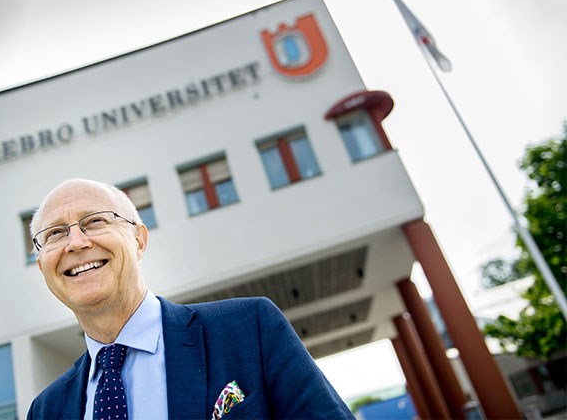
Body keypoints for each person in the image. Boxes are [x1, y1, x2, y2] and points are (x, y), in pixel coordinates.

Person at [27, 178, 354, 419]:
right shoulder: (47, 410)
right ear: (43, 266)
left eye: (94, 221)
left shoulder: (248, 329)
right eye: (55, 233)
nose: (76, 242)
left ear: (139, 240)